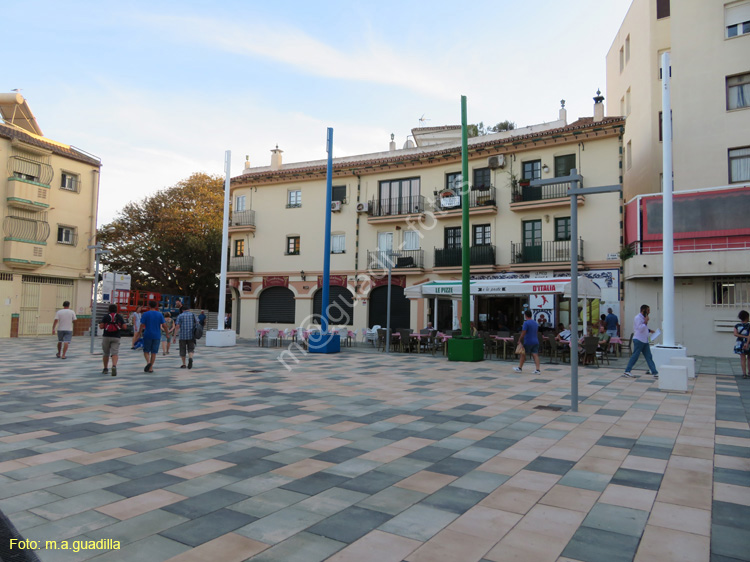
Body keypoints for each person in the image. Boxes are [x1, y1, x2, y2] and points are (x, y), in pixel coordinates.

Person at [623, 304, 659, 379]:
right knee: (635, 356)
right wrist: (645, 322)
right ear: (643, 310)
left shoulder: (643, 318)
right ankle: (627, 371)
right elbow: (640, 328)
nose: (649, 312)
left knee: (649, 356)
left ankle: (654, 372)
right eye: (648, 310)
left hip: (645, 341)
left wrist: (649, 330)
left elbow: (644, 328)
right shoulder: (638, 318)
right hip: (639, 340)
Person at [138, 300, 165, 373]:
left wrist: (139, 333)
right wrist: (167, 333)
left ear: (149, 306)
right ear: (156, 306)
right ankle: (151, 367)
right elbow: (164, 324)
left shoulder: (145, 314)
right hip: (157, 335)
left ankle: (148, 362)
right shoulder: (159, 314)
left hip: (147, 334)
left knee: (146, 350)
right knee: (154, 352)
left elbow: (142, 325)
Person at [99, 304, 125, 376]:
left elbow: (101, 326)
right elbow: (124, 327)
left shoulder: (106, 316)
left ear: (109, 309)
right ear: (116, 309)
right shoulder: (119, 316)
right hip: (116, 337)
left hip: (106, 336)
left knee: (106, 353)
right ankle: (114, 366)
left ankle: (105, 368)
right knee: (115, 353)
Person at [514, 310, 541, 374]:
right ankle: (538, 370)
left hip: (528, 341)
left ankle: (520, 368)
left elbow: (523, 332)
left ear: (525, 315)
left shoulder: (526, 323)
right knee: (535, 355)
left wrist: (519, 339)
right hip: (535, 341)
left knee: (523, 354)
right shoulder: (535, 323)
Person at [176, 305, 199, 369]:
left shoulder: (180, 316)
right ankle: (190, 358)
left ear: (182, 310)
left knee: (182, 350)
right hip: (191, 336)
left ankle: (184, 364)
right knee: (191, 349)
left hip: (182, 336)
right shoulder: (193, 315)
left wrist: (174, 336)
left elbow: (177, 326)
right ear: (189, 309)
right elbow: (198, 323)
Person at [733, 310, 750, 379]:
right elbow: (749, 336)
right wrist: (747, 342)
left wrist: (742, 336)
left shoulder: (737, 325)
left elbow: (735, 334)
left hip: (739, 343)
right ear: (746, 317)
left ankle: (744, 373)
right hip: (748, 343)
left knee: (742, 359)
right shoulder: (749, 325)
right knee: (749, 358)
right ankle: (749, 372)